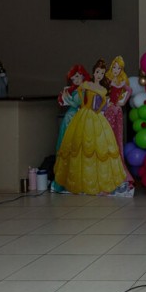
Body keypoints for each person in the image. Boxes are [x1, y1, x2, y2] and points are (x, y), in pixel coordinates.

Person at [53, 59, 126, 195]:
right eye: (97, 72)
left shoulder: (103, 89)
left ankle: (98, 180)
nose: (99, 75)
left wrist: (98, 110)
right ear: (93, 72)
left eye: (102, 73)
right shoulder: (87, 84)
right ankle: (79, 181)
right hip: (84, 113)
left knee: (99, 146)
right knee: (79, 144)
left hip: (95, 116)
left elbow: (103, 102)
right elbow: (80, 91)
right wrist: (84, 105)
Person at [52, 64, 91, 192]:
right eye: (73, 78)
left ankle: (78, 182)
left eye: (77, 76)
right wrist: (64, 96)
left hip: (79, 119)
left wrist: (67, 97)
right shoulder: (73, 89)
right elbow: (66, 102)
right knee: (67, 147)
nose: (75, 79)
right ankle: (65, 181)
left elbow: (78, 103)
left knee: (78, 148)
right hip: (70, 119)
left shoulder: (85, 89)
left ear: (83, 76)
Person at [104, 56, 134, 185]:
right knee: (107, 134)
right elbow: (103, 94)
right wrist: (107, 102)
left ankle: (117, 165)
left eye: (119, 68)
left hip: (117, 111)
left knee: (117, 135)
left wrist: (122, 102)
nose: (116, 70)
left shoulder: (122, 83)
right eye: (114, 67)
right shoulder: (108, 81)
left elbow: (129, 90)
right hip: (108, 110)